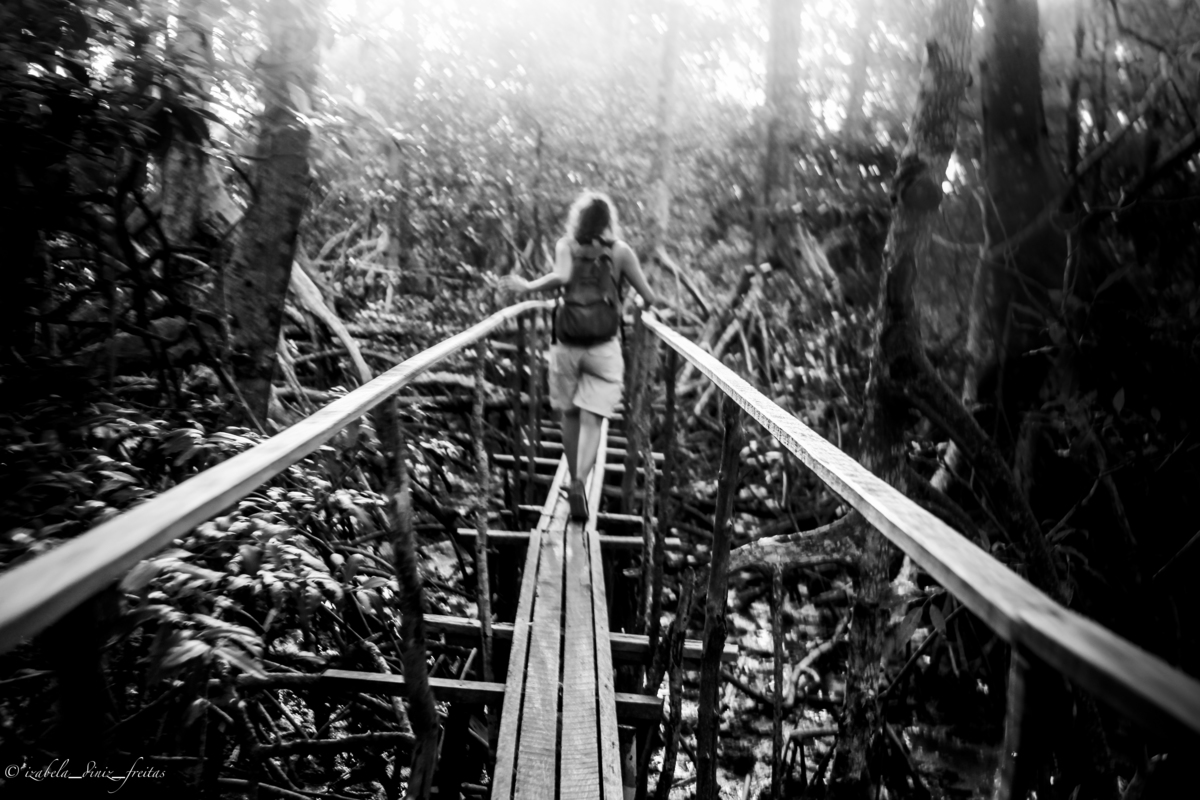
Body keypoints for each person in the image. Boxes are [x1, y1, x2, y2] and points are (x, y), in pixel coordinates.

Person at [501, 190, 667, 520]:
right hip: (604, 347)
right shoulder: (620, 252)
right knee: (594, 419)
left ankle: (572, 478)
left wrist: (528, 287)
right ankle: (578, 482)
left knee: (570, 415)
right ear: (608, 221)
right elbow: (649, 297)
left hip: (566, 345)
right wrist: (634, 302)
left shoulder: (566, 245)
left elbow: (562, 277)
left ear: (578, 219)